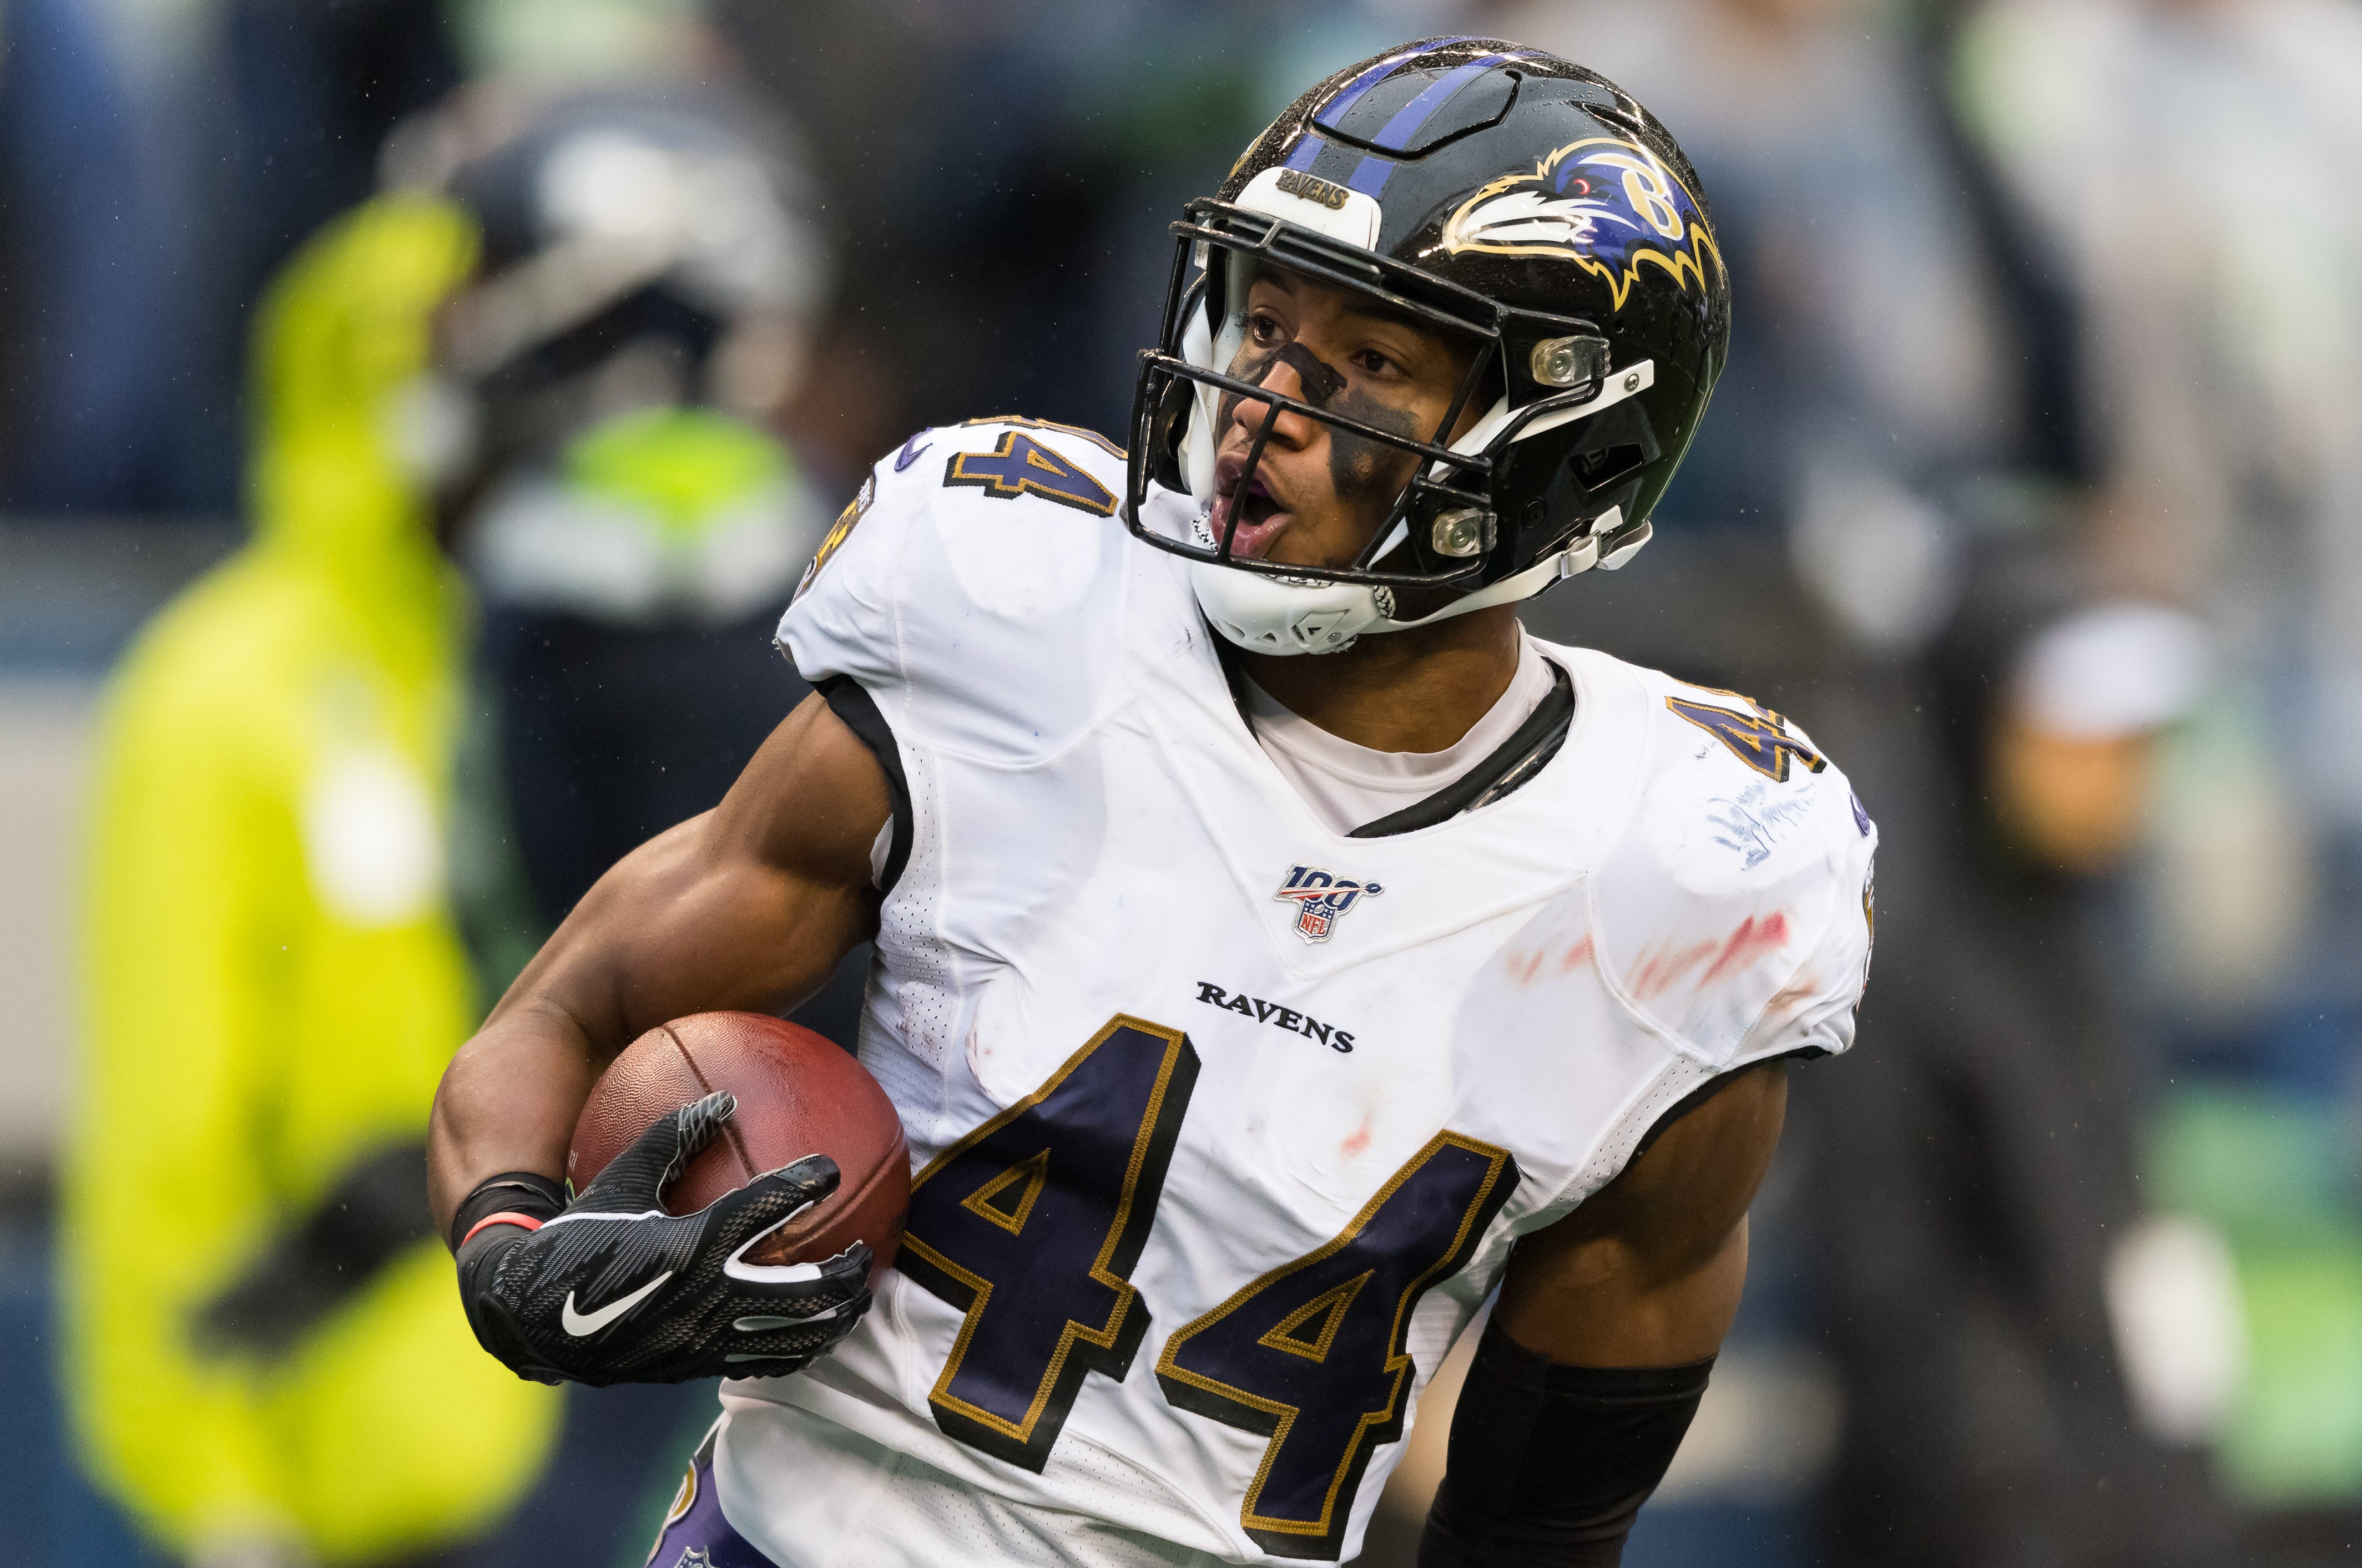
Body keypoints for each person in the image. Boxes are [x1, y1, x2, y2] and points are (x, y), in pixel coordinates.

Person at [427, 37, 1878, 1567]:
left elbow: (1550, 1515)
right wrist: (518, 1245)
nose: (1265, 407)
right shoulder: (1011, 611)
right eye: (1265, 326)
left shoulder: (1676, 879)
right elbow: (567, 1012)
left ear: (1572, 449)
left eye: (1374, 365)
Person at [63, 195, 560, 1568]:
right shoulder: (219, 697)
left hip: (539, 1466)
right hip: (313, 1487)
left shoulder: (522, 680)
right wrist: (212, 1486)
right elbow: (165, 1127)